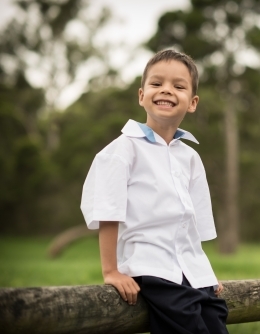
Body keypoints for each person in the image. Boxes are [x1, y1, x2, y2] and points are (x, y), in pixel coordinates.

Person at [80, 49, 229, 334]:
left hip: (189, 271)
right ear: (141, 95)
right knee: (187, 324)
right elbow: (108, 211)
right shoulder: (123, 150)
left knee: (215, 318)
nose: (166, 91)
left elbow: (190, 223)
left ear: (193, 102)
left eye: (179, 86)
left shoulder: (190, 158)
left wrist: (202, 274)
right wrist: (111, 271)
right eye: (157, 83)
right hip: (150, 266)